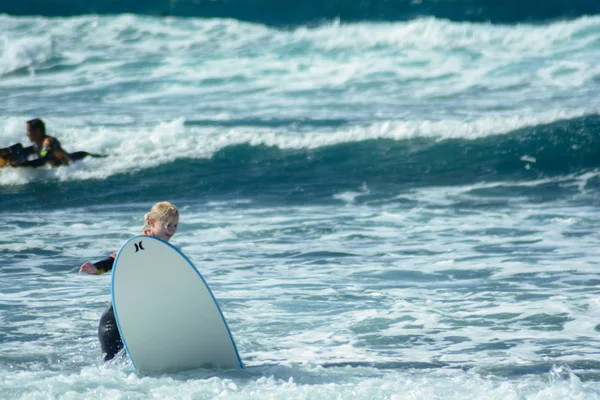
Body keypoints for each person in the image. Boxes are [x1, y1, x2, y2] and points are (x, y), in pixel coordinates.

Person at [79, 202, 180, 361]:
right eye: (168, 225)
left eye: (175, 225)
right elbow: (113, 261)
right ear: (152, 223)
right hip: (116, 325)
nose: (173, 230)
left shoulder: (162, 250)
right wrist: (95, 269)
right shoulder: (139, 245)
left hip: (137, 323)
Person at [0, 118, 106, 168]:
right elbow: (25, 152)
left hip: (80, 158)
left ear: (38, 131)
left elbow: (43, 159)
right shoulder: (37, 145)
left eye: (29, 131)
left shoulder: (48, 142)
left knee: (106, 159)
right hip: (70, 162)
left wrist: (23, 165)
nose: (27, 134)